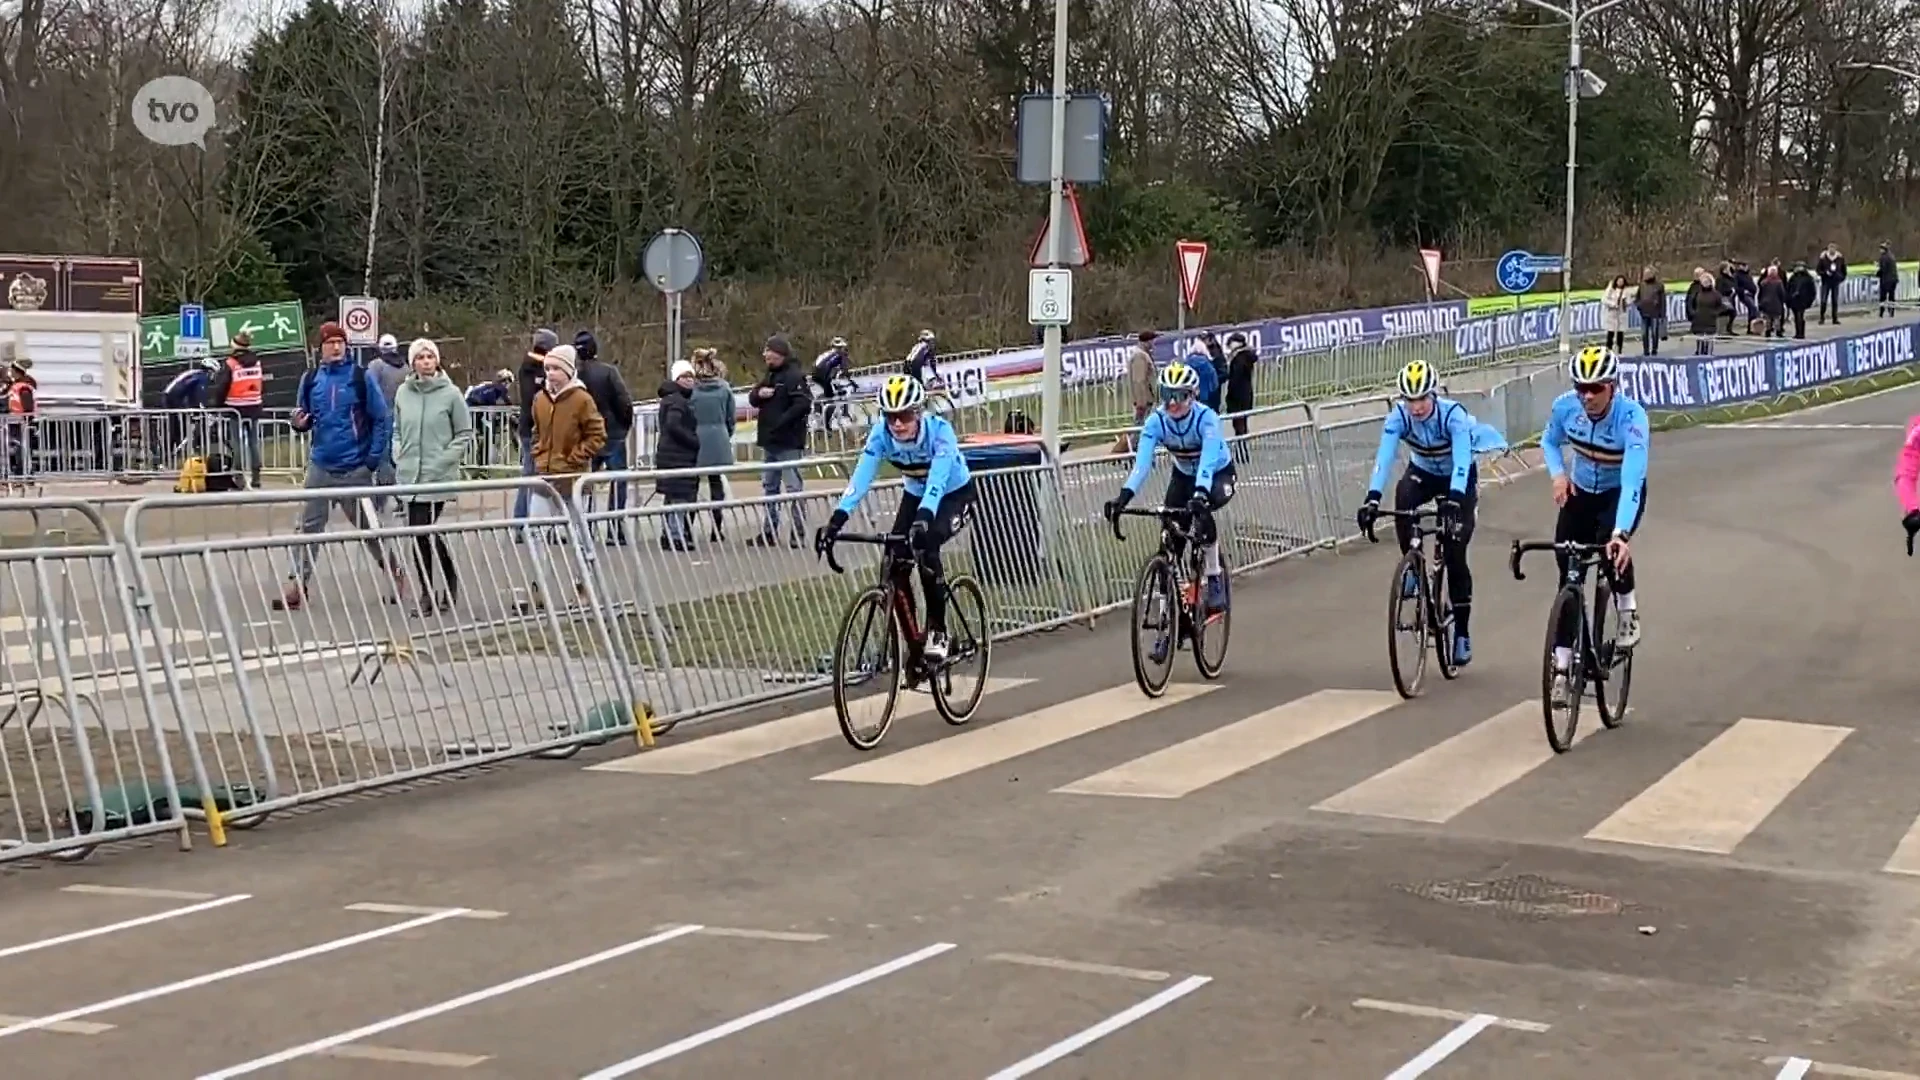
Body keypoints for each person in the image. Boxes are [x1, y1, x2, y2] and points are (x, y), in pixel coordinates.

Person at [815, 374, 976, 664]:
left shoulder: (940, 432)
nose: (897, 424)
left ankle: (938, 630)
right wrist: (837, 520)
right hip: (916, 494)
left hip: (954, 494)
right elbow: (861, 477)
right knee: (893, 561)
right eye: (891, 417)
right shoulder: (881, 434)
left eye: (904, 415)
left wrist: (925, 518)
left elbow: (937, 481)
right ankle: (914, 643)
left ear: (918, 411)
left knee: (926, 546)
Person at [1355, 360, 1506, 667]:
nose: (1417, 407)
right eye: (1410, 400)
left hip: (1457, 478)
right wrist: (1371, 498)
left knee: (1455, 553)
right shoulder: (1398, 417)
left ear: (1433, 395)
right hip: (1422, 473)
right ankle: (1413, 564)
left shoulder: (1454, 416)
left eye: (1422, 398)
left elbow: (1463, 459)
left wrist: (1454, 497)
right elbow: (1384, 457)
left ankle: (1462, 631)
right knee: (1402, 498)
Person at [1100, 361, 1236, 662]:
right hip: (1183, 476)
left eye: (1180, 396)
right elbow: (1142, 465)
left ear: (1193, 395)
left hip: (1216, 474)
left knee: (1202, 516)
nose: (1172, 403)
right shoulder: (1156, 422)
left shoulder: (1207, 418)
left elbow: (1208, 462)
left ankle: (1214, 578)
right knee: (1169, 543)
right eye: (1166, 395)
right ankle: (1166, 627)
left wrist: (1201, 495)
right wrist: (1123, 497)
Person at [1539, 345, 1649, 707]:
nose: (1587, 396)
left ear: (1612, 386)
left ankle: (1627, 609)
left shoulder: (1632, 417)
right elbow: (1549, 441)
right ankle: (1562, 668)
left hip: (1618, 494)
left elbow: (1633, 480)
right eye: (1580, 387)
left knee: (1610, 549)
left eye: (1595, 388)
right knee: (1567, 577)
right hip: (1582, 491)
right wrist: (1558, 476)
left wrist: (1621, 534)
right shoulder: (1565, 407)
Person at [272, 321, 400, 613]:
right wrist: (298, 422)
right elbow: (301, 413)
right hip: (321, 464)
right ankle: (297, 584)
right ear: (321, 348)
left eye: (340, 342)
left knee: (367, 527)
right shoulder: (311, 378)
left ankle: (393, 569)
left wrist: (372, 459)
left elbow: (381, 418)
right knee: (308, 527)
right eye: (330, 342)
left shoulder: (359, 377)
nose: (336, 347)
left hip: (355, 466)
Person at [390, 337, 473, 614]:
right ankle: (428, 590)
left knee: (424, 528)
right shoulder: (403, 392)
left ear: (437, 360)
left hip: (437, 474)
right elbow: (398, 428)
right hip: (410, 472)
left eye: (430, 356)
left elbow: (463, 434)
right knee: (419, 533)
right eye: (420, 357)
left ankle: (443, 585)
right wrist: (398, 451)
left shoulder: (451, 394)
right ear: (412, 362)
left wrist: (443, 459)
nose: (426, 361)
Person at [525, 343, 606, 608]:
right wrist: (538, 454)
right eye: (547, 368)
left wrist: (575, 458)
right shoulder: (540, 399)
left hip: (572, 480)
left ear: (569, 371)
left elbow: (597, 435)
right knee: (535, 533)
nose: (550, 373)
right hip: (544, 478)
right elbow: (536, 431)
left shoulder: (582, 400)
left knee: (578, 536)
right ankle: (538, 589)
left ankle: (584, 586)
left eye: (556, 369)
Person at [750, 334, 810, 547]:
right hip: (770, 441)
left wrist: (782, 421)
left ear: (780, 354)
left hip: (788, 442)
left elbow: (803, 404)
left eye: (770, 352)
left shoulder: (794, 376)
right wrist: (759, 394)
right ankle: (769, 530)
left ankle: (798, 532)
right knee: (770, 487)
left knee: (793, 487)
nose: (766, 356)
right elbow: (753, 397)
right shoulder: (770, 375)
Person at [575, 330, 635, 543]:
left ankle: (585, 527)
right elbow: (623, 401)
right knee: (618, 480)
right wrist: (624, 424)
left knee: (584, 482)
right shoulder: (609, 372)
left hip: (586, 435)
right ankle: (614, 527)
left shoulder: (575, 376)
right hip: (612, 433)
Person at [513, 329, 558, 537]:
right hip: (533, 429)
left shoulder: (536, 366)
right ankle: (522, 524)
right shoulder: (533, 368)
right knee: (531, 475)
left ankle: (525, 523)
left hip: (534, 427)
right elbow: (534, 398)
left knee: (533, 475)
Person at [652, 359, 701, 551]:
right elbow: (674, 425)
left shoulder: (671, 399)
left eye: (691, 377)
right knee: (679, 497)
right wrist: (693, 440)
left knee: (672, 497)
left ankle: (668, 533)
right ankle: (675, 535)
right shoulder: (677, 401)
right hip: (677, 455)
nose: (689, 381)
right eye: (684, 377)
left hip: (670, 453)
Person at [689, 348, 737, 541]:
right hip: (718, 436)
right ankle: (716, 529)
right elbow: (730, 417)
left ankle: (688, 528)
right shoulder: (724, 388)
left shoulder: (691, 389)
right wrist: (726, 433)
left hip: (695, 438)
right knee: (716, 484)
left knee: (692, 484)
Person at [207, 330, 265, 488]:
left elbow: (223, 386)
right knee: (254, 442)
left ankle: (238, 474)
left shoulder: (231, 363)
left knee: (237, 442)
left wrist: (216, 405)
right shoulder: (257, 362)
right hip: (254, 405)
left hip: (236, 407)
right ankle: (256, 475)